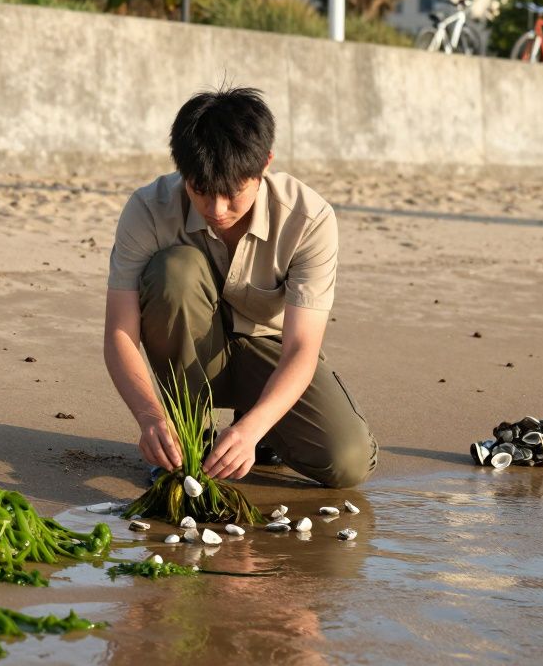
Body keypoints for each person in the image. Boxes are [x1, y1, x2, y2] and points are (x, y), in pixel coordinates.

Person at [102, 86, 377, 488]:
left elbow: (302, 347)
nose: (216, 210)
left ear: (265, 163)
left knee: (347, 463)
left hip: (268, 359)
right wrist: (150, 418)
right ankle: (188, 433)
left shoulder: (309, 218)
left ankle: (260, 430)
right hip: (188, 361)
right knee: (174, 270)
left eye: (232, 194)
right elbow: (119, 333)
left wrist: (253, 429)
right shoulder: (147, 209)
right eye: (199, 190)